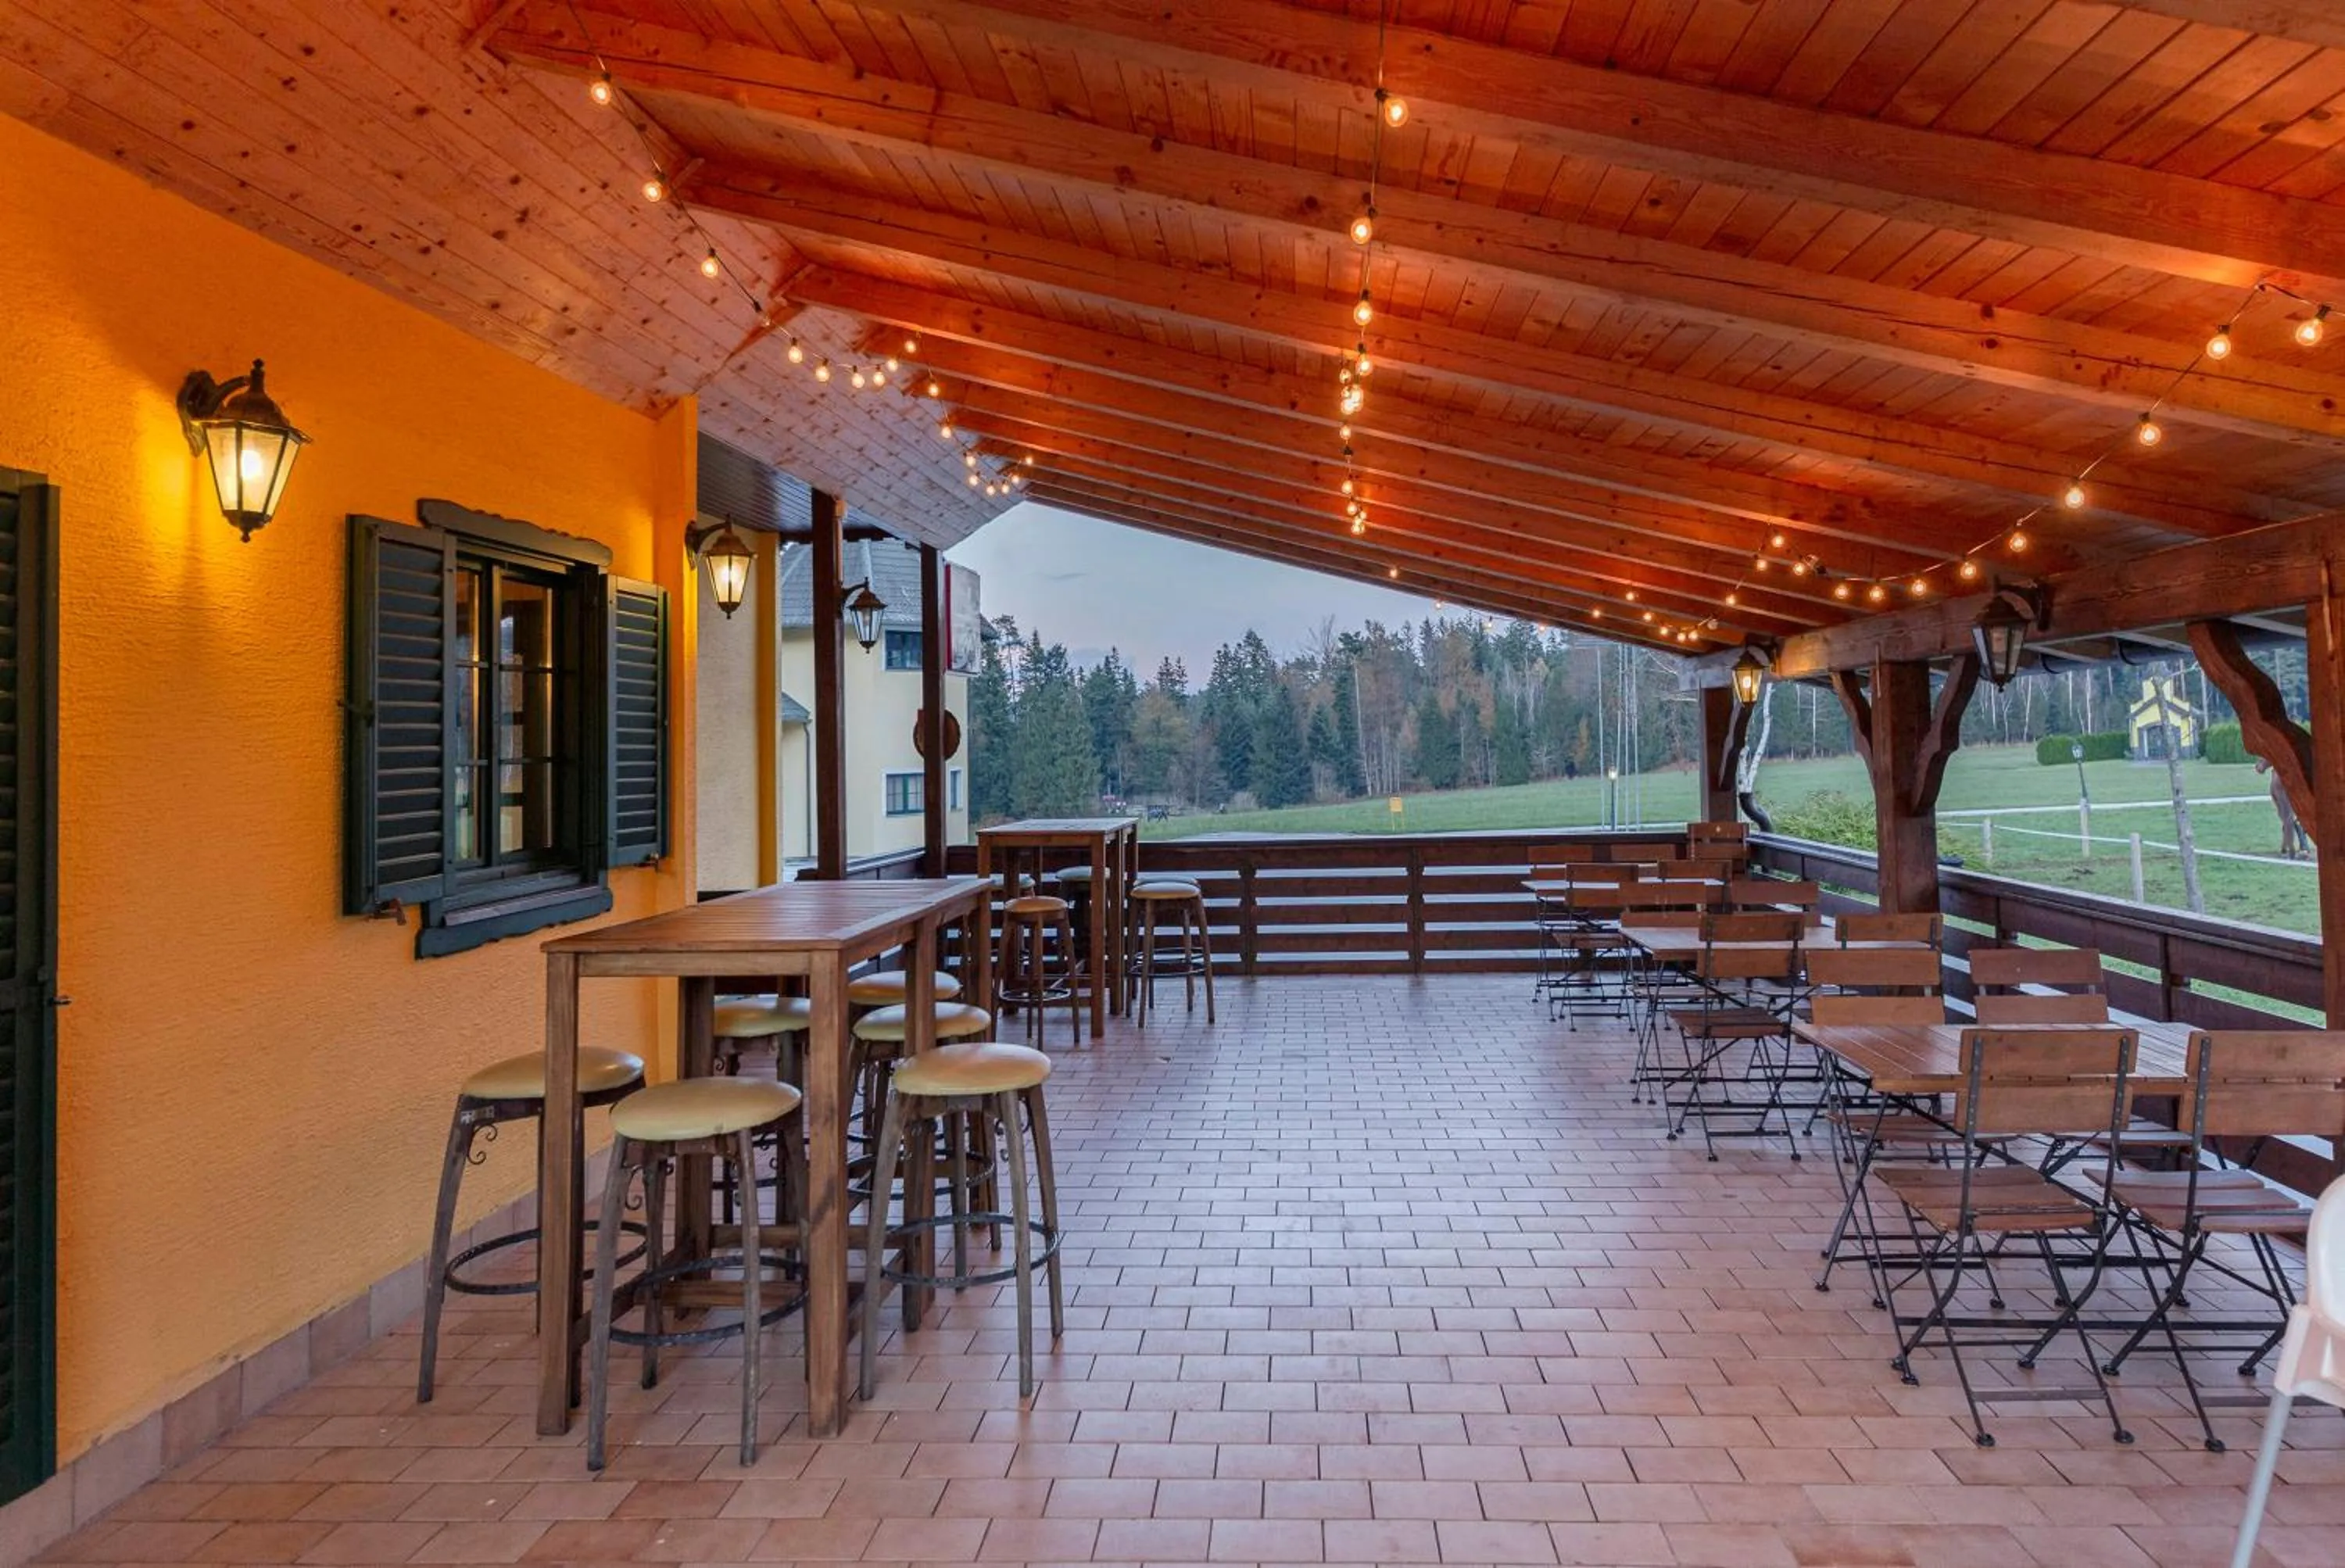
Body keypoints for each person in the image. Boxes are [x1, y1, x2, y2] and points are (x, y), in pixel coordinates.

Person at [2257, 757, 2310, 859]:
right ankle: (2288, 845)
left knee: (2287, 814)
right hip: (2298, 774)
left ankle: (2300, 846)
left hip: (2285, 776)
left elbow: (2271, 756)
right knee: (2289, 814)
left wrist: (2262, 765)